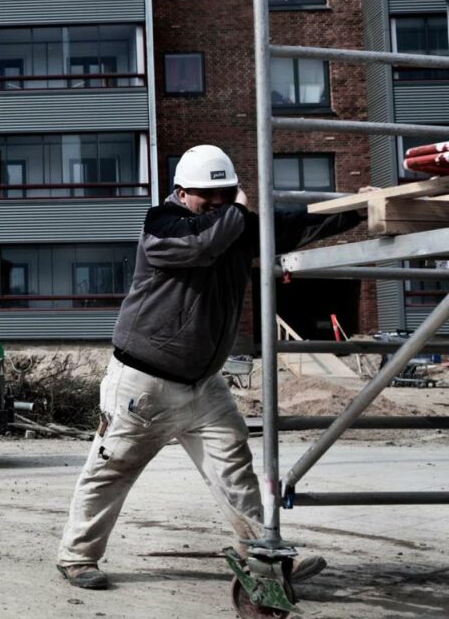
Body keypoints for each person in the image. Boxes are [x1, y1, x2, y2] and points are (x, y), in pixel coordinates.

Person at [56, 144, 365, 590]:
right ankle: (76, 557)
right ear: (181, 192)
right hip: (144, 384)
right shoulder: (161, 225)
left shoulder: (229, 225)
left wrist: (355, 210)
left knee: (234, 468)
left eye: (226, 193)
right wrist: (238, 211)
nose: (219, 202)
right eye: (209, 195)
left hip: (204, 384)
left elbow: (291, 227)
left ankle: (263, 557)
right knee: (110, 470)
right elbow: (202, 243)